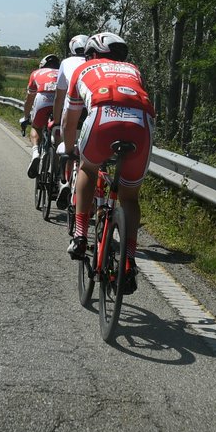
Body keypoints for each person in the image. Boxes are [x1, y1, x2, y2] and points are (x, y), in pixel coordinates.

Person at [60, 31, 154, 295]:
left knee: (88, 168)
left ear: (91, 54)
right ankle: (129, 260)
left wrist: (69, 150)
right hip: (141, 124)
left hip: (103, 117)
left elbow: (69, 121)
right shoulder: (133, 70)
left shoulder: (83, 68)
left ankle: (80, 237)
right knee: (130, 198)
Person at [49, 34, 90, 211]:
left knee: (67, 146)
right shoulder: (94, 62)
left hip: (72, 110)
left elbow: (59, 96)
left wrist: (55, 120)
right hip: (90, 111)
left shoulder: (66, 62)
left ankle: (65, 181)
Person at [20, 53, 61, 177]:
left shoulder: (36, 73)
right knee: (61, 129)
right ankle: (58, 169)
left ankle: (35, 152)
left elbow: (29, 99)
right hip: (61, 100)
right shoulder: (63, 72)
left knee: (36, 127)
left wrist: (26, 117)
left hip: (43, 99)